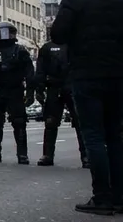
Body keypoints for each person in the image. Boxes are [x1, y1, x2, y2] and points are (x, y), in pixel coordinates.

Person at [50, 0, 123, 215]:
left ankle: (101, 196)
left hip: (86, 74)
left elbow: (58, 34)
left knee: (94, 136)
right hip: (119, 76)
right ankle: (119, 197)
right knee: (115, 136)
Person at [0, 22, 35, 165]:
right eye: (0, 32)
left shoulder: (20, 51)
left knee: (19, 122)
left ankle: (22, 154)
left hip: (15, 90)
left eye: (6, 32)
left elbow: (29, 73)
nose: (3, 36)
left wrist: (30, 92)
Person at [35, 39, 87, 167]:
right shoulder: (47, 48)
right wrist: (39, 89)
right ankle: (48, 155)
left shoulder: (74, 44)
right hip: (54, 87)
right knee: (51, 122)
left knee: (80, 122)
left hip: (72, 86)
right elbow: (40, 69)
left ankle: (86, 156)